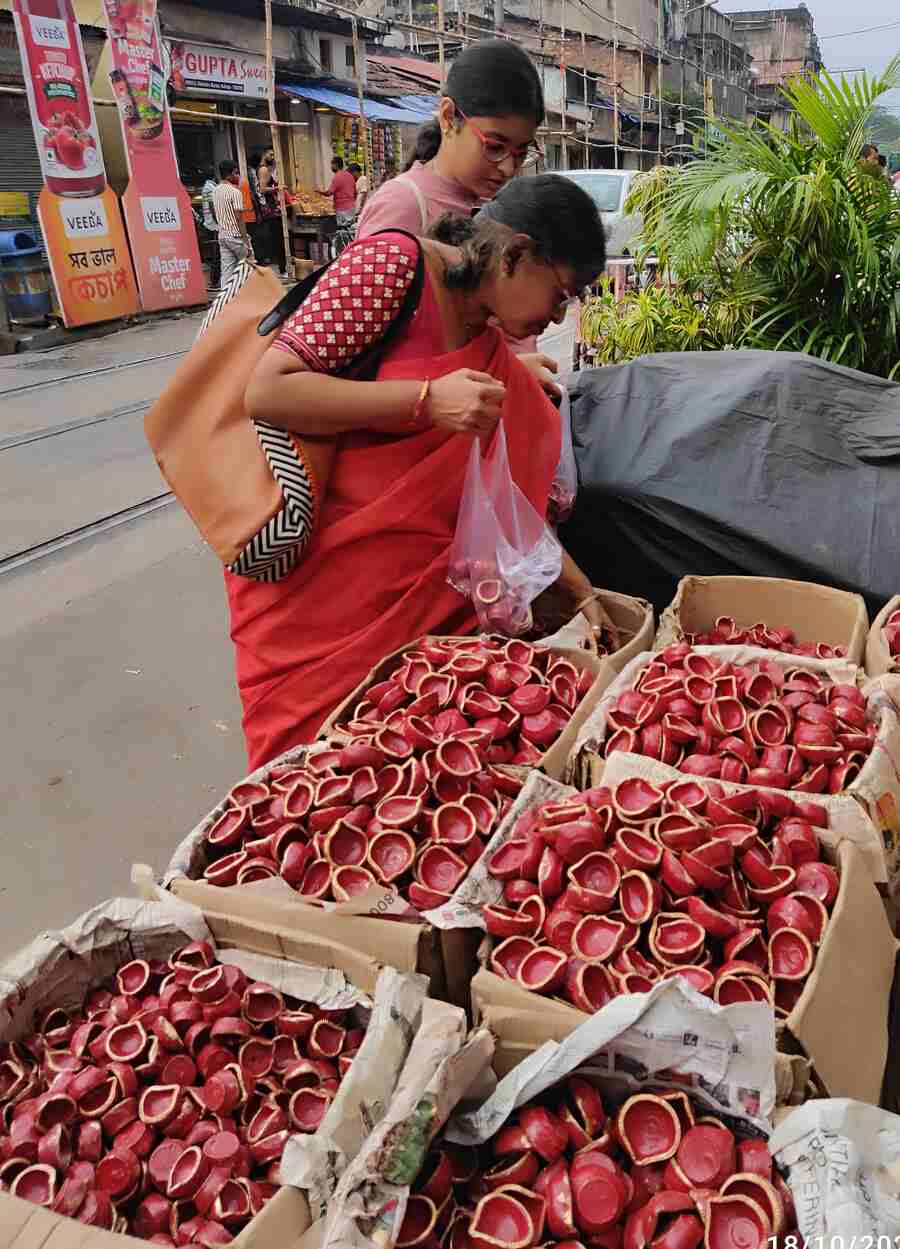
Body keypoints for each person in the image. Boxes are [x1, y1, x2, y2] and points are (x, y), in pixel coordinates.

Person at [236, 175, 612, 768]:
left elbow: (503, 496)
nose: (556, 316)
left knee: (414, 774)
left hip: (428, 604)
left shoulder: (487, 334)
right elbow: (268, 391)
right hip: (325, 602)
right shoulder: (393, 263)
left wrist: (577, 585)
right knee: (307, 778)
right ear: (514, 255)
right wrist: (426, 399)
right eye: (560, 295)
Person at [356, 39, 556, 392]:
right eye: (494, 147)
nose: (508, 167)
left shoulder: (500, 207)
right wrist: (503, 371)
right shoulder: (402, 205)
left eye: (521, 152)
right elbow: (367, 357)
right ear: (449, 117)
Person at [212, 159, 253, 289]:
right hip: (235, 236)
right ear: (230, 174)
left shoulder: (215, 191)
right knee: (250, 265)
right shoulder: (235, 192)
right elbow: (239, 219)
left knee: (227, 273)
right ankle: (253, 297)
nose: (238, 177)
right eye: (236, 173)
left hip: (222, 236)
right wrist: (246, 241)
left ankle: (226, 302)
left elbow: (216, 212)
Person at [259, 147, 288, 277]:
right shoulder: (264, 170)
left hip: (273, 209)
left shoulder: (266, 169)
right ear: (264, 154)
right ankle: (282, 268)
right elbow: (263, 189)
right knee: (278, 239)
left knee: (279, 239)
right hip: (271, 211)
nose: (273, 157)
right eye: (271, 154)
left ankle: (283, 267)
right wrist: (277, 188)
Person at [200, 167, 220, 289]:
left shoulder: (207, 187)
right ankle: (214, 281)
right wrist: (219, 222)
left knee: (216, 254)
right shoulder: (210, 188)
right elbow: (213, 207)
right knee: (217, 254)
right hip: (214, 225)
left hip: (211, 224)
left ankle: (215, 280)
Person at [327, 156, 357, 227]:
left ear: (336, 165)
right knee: (350, 231)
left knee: (342, 232)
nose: (331, 167)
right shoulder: (349, 175)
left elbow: (329, 193)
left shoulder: (337, 177)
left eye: (332, 164)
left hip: (342, 210)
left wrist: (319, 192)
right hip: (351, 209)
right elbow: (355, 193)